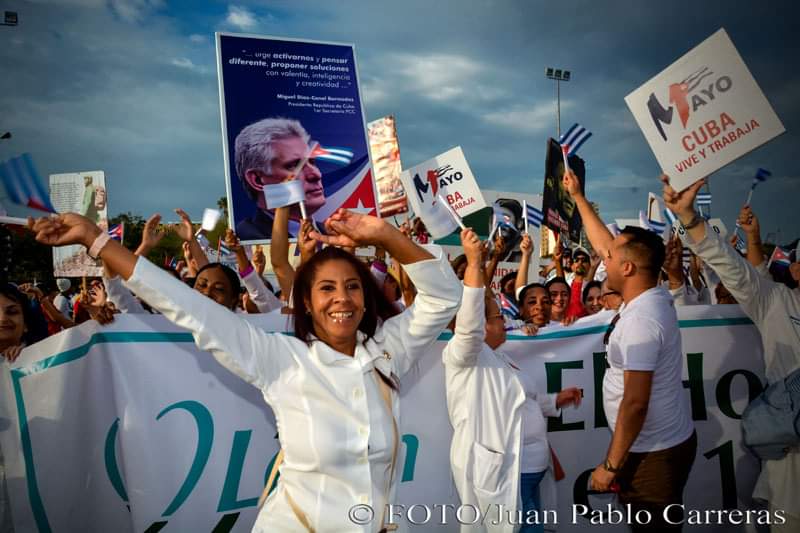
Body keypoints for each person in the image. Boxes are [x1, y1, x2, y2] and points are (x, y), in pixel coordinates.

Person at [28, 208, 461, 532]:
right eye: (326, 288)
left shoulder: (389, 352)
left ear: (365, 299)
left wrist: (383, 234)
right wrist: (93, 237)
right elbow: (186, 305)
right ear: (306, 303)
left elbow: (444, 296)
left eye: (352, 287)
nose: (342, 299)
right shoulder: (280, 360)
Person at [662, 174, 800, 532]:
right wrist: (690, 220)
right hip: (792, 474)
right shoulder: (777, 302)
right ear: (796, 269)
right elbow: (735, 270)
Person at [563, 169, 696, 532]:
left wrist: (611, 466)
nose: (601, 258)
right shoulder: (646, 296)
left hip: (653, 455)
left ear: (627, 267)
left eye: (610, 257)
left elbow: (635, 403)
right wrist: (577, 197)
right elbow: (605, 243)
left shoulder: (641, 321)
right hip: (656, 445)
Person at [443, 228, 580, 533]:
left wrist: (555, 400)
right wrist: (476, 265)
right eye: (495, 318)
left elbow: (524, 400)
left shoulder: (502, 358)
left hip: (531, 470)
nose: (503, 321)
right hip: (505, 475)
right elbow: (467, 328)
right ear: (478, 325)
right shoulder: (463, 357)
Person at [234, 118, 326, 240]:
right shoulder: (248, 237)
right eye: (294, 165)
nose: (316, 175)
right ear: (257, 180)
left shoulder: (330, 234)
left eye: (312, 162)